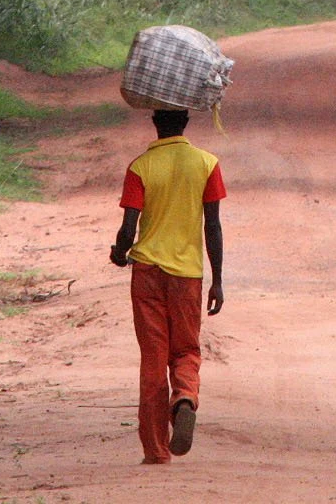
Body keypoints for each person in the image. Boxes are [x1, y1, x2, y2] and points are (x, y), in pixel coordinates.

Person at [109, 107, 227, 463]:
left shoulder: (140, 167)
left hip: (147, 273)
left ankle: (157, 450)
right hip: (187, 276)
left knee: (153, 358)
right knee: (186, 350)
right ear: (186, 123)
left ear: (155, 124)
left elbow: (129, 228)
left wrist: (119, 252)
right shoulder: (207, 164)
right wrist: (217, 280)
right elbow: (213, 227)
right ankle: (185, 398)